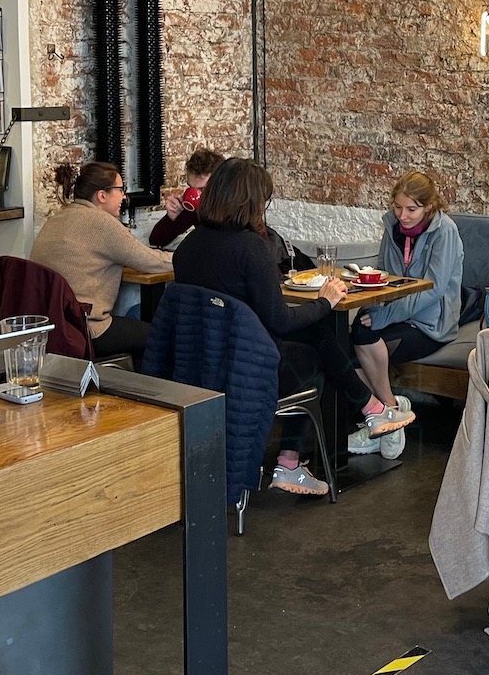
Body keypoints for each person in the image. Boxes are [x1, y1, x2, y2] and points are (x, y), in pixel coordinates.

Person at [172, 157, 409, 495]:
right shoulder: (251, 248)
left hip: (201, 362)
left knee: (315, 335)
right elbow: (280, 319)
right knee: (315, 355)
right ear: (251, 201)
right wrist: (325, 301)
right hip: (248, 367)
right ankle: (293, 460)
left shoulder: (189, 246)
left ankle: (370, 410)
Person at [346, 171, 462, 460]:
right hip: (400, 314)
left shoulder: (445, 232)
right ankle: (384, 416)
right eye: (398, 207)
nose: (403, 215)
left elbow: (432, 291)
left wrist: (385, 317)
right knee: (347, 345)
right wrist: (375, 305)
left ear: (429, 207)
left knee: (361, 337)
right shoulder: (392, 226)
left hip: (431, 322)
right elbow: (385, 275)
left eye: (412, 209)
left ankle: (388, 416)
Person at [29, 162, 172, 369]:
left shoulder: (58, 217)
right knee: (158, 337)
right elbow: (151, 261)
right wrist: (186, 258)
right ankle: (147, 397)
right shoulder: (101, 223)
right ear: (102, 196)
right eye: (120, 190)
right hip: (87, 328)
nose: (124, 196)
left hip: (52, 325)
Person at [148, 147, 224, 248]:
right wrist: (171, 218)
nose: (196, 194)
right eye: (191, 187)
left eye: (202, 189)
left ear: (221, 185)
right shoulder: (194, 209)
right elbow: (156, 240)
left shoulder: (237, 208)